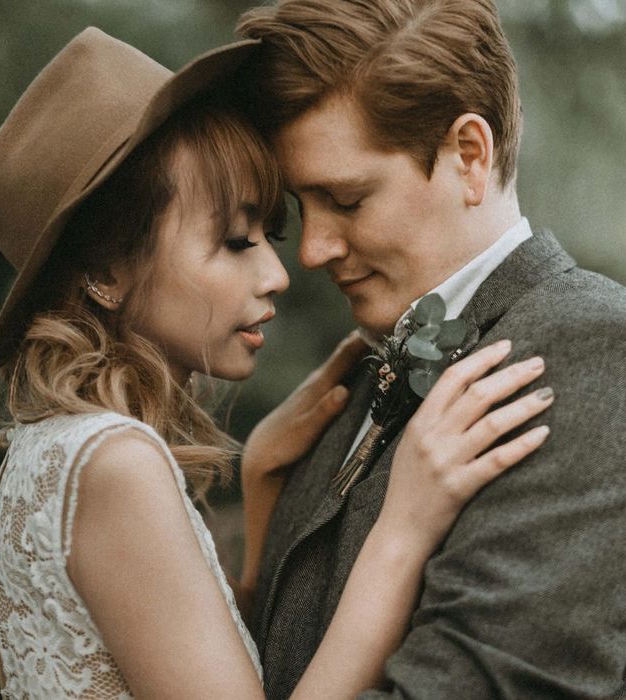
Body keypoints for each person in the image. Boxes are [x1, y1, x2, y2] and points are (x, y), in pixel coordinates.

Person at [0, 28, 553, 699]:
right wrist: (404, 526)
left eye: (268, 236)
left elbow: (186, 663)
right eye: (234, 241)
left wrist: (257, 494)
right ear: (105, 272)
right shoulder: (115, 466)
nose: (281, 273)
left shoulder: (49, 452)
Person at [233, 1, 626, 698]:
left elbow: (495, 680)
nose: (315, 249)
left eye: (347, 201)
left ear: (469, 156)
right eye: (304, 209)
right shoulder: (357, 378)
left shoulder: (588, 345)